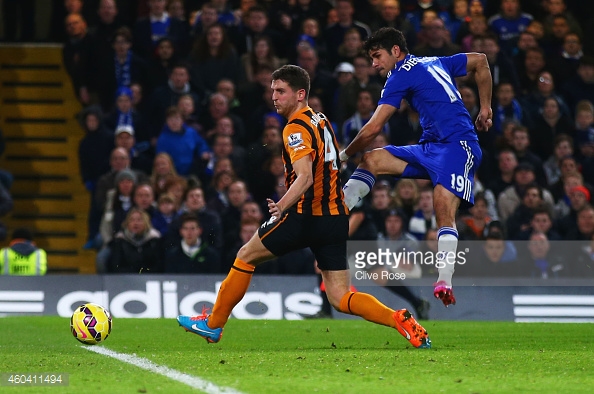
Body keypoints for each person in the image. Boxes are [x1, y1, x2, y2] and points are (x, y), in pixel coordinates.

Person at [177, 64, 431, 348]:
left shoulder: (294, 128)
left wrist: (281, 207)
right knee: (340, 297)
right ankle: (398, 318)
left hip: (305, 216)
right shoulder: (320, 119)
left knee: (246, 256)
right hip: (334, 219)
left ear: (300, 94)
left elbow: (306, 177)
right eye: (272, 90)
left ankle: (213, 325)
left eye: (281, 91)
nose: (274, 96)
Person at [339, 27, 493, 307]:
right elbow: (481, 60)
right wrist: (485, 107)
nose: (374, 63)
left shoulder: (399, 75)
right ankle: (336, 215)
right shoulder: (435, 61)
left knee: (442, 209)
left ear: (395, 51)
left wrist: (343, 155)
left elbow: (373, 127)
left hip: (459, 146)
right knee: (372, 159)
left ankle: (444, 279)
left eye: (377, 56)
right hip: (430, 146)